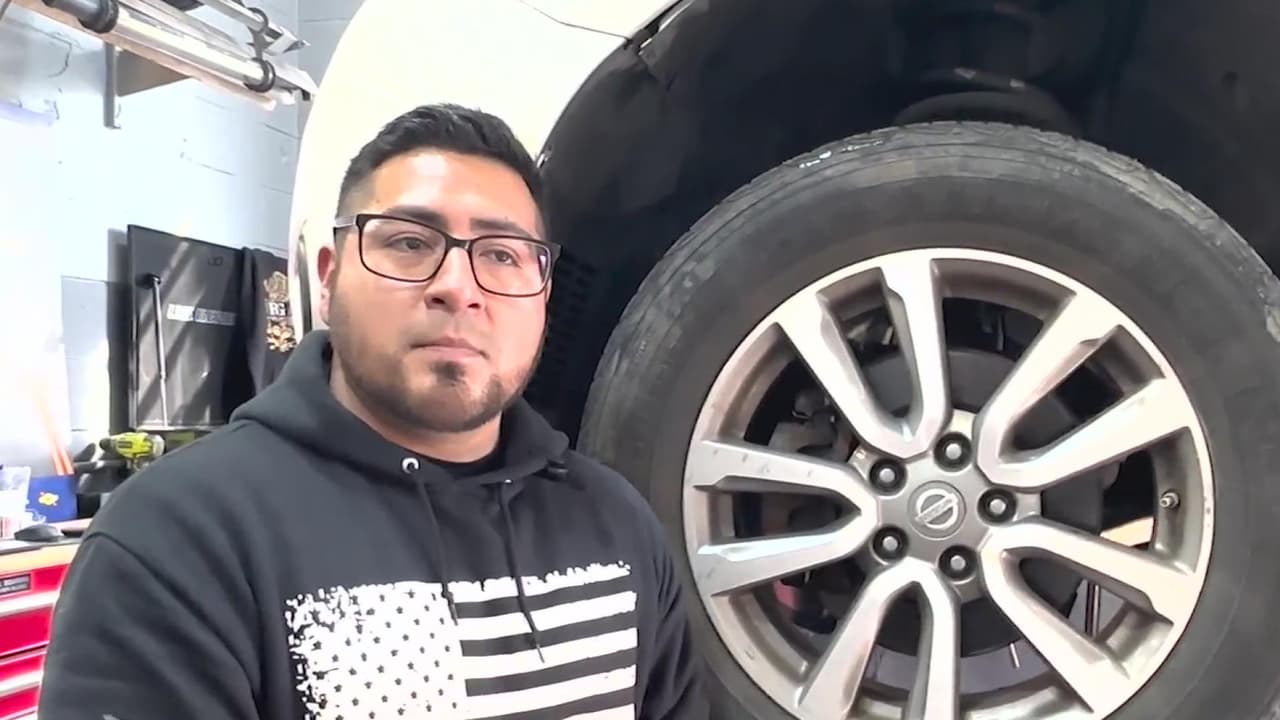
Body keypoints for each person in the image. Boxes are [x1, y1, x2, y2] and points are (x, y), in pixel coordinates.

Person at [38, 103, 707, 720]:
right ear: (329, 279)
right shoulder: (180, 539)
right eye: (410, 242)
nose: (457, 287)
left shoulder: (617, 526)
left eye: (501, 255)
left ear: (543, 296)